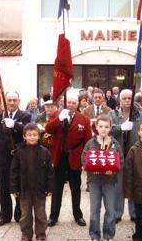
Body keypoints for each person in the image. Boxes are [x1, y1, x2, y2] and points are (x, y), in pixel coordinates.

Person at [45, 92, 92, 227]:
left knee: (75, 188)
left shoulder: (84, 119)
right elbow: (48, 130)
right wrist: (59, 118)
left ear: (77, 104)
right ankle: (53, 216)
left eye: (73, 102)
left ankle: (78, 215)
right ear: (64, 103)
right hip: (59, 157)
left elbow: (88, 141)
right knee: (57, 188)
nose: (70, 105)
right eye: (69, 102)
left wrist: (86, 161)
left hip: (75, 157)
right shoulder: (56, 115)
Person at [0, 91, 31, 226]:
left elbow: (28, 132)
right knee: (3, 188)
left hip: (19, 158)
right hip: (2, 159)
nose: (12, 103)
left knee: (19, 186)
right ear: (5, 101)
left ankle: (19, 214)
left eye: (14, 100)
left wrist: (15, 125)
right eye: (9, 100)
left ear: (19, 101)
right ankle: (5, 216)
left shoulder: (25, 115)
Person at [81, 115, 123, 241]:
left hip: (110, 181)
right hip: (94, 181)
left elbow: (120, 160)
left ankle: (108, 234)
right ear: (96, 128)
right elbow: (84, 159)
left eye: (106, 127)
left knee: (110, 209)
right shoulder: (90, 143)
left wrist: (114, 171)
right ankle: (94, 235)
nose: (103, 129)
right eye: (101, 126)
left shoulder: (115, 144)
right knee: (94, 209)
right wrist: (87, 167)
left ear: (110, 128)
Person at [10, 123, 55, 241]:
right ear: (24, 136)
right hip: (24, 190)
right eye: (29, 135)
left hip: (39, 190)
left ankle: (41, 234)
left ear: (39, 136)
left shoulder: (45, 151)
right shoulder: (19, 151)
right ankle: (26, 234)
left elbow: (50, 172)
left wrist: (50, 188)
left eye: (35, 135)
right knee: (25, 215)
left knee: (40, 214)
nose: (32, 137)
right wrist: (14, 188)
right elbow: (14, 171)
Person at [109, 89, 142, 223]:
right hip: (117, 155)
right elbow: (107, 130)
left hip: (135, 155)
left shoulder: (140, 116)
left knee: (134, 184)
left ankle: (134, 213)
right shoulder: (113, 114)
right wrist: (120, 127)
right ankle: (117, 213)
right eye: (124, 98)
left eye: (129, 98)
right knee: (117, 186)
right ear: (119, 100)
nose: (126, 101)